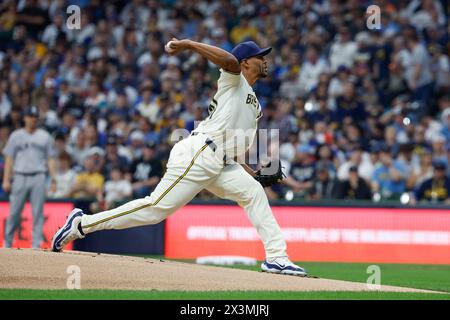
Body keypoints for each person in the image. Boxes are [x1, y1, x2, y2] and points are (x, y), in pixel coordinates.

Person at [52, 39, 307, 276]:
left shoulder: (255, 104)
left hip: (221, 161)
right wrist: (187, 44)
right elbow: (228, 61)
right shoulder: (234, 79)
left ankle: (276, 257)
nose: (265, 60)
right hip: (199, 153)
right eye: (259, 56)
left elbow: (235, 148)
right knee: (155, 209)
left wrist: (256, 176)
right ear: (245, 62)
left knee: (253, 192)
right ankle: (82, 223)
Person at [2, 106, 57, 248]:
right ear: (25, 118)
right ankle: (7, 243)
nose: (33, 119)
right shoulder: (16, 135)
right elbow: (9, 158)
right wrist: (6, 179)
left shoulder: (44, 136)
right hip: (19, 176)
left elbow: (50, 159)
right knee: (14, 211)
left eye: (35, 116)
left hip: (38, 176)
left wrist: (53, 179)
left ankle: (36, 244)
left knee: (38, 212)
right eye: (30, 116)